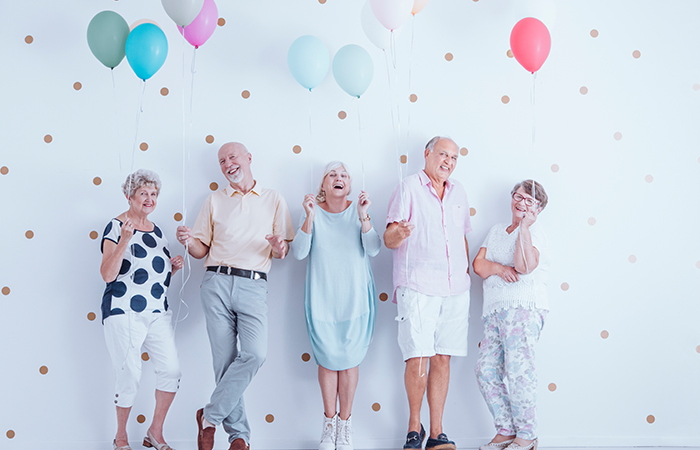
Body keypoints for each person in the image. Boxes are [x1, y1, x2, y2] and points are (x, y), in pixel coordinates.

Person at [176, 142, 294, 450]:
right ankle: (239, 436)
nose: (228, 163)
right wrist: (189, 242)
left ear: (249, 158)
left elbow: (283, 251)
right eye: (222, 160)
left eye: (232, 156)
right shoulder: (214, 200)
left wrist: (278, 245)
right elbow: (202, 249)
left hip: (253, 284)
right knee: (224, 362)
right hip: (215, 281)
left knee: (256, 353)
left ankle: (209, 417)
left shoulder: (273, 199)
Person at [384, 136, 472, 450]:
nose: (448, 161)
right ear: (427, 154)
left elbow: (461, 236)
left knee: (443, 357)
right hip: (417, 284)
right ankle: (413, 427)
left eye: (454, 157)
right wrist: (401, 231)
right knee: (417, 357)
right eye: (443, 154)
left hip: (455, 289)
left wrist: (464, 273)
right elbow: (389, 239)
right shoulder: (408, 187)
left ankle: (437, 433)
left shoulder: (459, 191)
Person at [290, 161, 381, 450]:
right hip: (323, 298)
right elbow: (300, 252)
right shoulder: (313, 214)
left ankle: (346, 426)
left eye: (343, 175)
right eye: (332, 175)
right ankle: (329, 425)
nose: (338, 178)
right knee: (328, 360)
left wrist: (364, 216)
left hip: (355, 298)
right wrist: (308, 217)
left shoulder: (359, 210)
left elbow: (374, 248)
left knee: (350, 360)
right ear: (323, 185)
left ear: (350, 185)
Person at [100, 169, 184, 450]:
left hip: (157, 312)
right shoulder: (115, 226)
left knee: (171, 370)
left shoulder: (159, 232)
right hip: (123, 310)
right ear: (129, 196)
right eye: (143, 193)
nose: (149, 199)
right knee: (130, 374)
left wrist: (171, 269)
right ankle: (121, 437)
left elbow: (154, 280)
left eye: (154, 194)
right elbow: (108, 274)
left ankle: (155, 433)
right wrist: (125, 239)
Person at [473, 180, 550, 450]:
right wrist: (497, 268)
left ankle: (527, 436)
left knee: (519, 372)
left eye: (529, 200)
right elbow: (479, 266)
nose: (521, 202)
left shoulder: (534, 231)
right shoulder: (495, 231)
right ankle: (506, 430)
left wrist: (524, 228)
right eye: (518, 196)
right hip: (494, 311)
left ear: (538, 208)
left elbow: (523, 266)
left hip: (523, 308)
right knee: (485, 371)